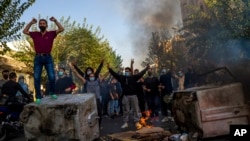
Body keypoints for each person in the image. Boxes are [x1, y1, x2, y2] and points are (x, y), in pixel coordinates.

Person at [23, 17, 64, 104]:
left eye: (43, 23)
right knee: (37, 78)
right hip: (38, 58)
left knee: (52, 77)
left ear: (46, 25)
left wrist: (55, 21)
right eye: (40, 23)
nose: (42, 24)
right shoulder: (35, 34)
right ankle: (38, 97)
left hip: (48, 57)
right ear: (38, 25)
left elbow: (61, 29)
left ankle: (52, 92)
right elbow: (24, 31)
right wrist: (31, 22)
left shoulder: (51, 33)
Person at [108, 63, 150, 128]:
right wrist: (109, 69)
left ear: (130, 72)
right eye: (126, 71)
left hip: (134, 96)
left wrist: (146, 68)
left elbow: (140, 73)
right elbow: (115, 74)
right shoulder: (122, 78)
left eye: (128, 71)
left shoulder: (133, 77)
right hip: (125, 96)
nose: (126, 72)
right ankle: (125, 122)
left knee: (135, 109)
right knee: (125, 110)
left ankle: (136, 122)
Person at [69, 62, 103, 128]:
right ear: (88, 77)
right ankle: (90, 126)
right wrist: (74, 70)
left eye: (93, 76)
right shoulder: (86, 82)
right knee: (89, 113)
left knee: (99, 113)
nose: (91, 77)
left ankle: (99, 126)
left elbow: (100, 74)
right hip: (90, 100)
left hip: (97, 99)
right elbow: (78, 75)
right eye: (90, 76)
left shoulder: (97, 81)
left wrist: (101, 64)